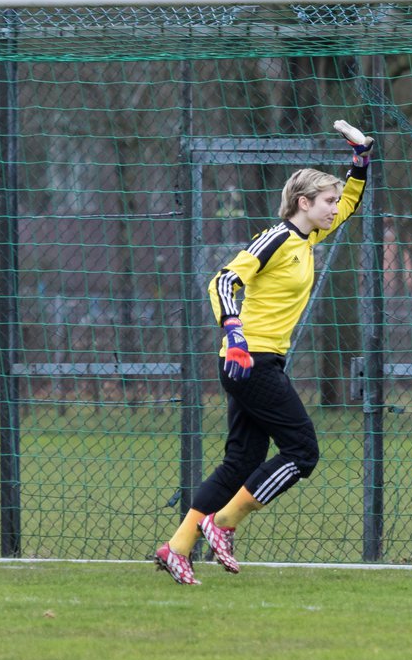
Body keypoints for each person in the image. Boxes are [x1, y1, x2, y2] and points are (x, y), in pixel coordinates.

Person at [155, 120, 375, 585]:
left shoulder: (307, 239)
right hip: (247, 359)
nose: (336, 208)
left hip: (261, 360)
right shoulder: (276, 238)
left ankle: (177, 548)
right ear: (303, 203)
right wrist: (233, 332)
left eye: (335, 201)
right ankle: (223, 523)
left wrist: (360, 161)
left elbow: (352, 205)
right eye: (328, 202)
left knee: (241, 461)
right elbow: (224, 280)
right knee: (302, 450)